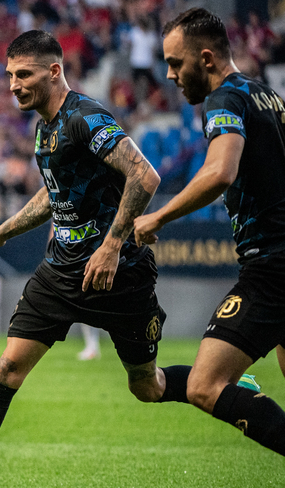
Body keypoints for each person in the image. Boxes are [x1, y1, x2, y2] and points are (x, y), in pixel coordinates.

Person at [0, 29, 183, 488]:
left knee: (146, 387)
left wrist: (112, 245)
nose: (13, 85)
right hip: (61, 271)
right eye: (10, 75)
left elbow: (144, 174)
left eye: (23, 74)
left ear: (54, 71)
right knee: (7, 367)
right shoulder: (45, 126)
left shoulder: (85, 117)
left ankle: (214, 383)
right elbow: (54, 194)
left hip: (117, 272)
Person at [134, 8, 285, 455]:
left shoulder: (224, 100)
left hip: (272, 266)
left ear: (205, 58)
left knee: (205, 384)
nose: (170, 75)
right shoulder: (268, 97)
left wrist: (158, 216)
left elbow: (220, 171)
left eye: (175, 63)